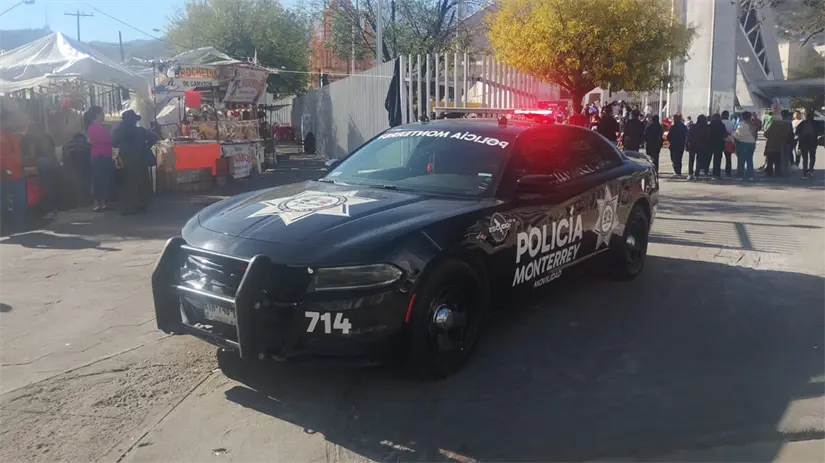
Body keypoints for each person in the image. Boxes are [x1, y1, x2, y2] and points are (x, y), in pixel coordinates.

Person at [113, 110, 158, 214]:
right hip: (140, 157)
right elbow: (154, 137)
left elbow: (114, 143)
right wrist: (146, 146)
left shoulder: (119, 131)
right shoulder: (140, 131)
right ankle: (142, 203)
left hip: (126, 158)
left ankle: (129, 206)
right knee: (142, 180)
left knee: (128, 182)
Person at [21, 122, 58, 219]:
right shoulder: (48, 136)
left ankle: (45, 211)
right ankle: (51, 210)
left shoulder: (31, 139)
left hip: (41, 164)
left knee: (43, 188)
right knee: (49, 187)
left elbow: (32, 156)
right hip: (52, 163)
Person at [85, 106, 114, 212]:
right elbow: (104, 140)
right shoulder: (94, 127)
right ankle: (97, 203)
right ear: (97, 115)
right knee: (98, 180)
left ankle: (103, 203)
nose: (104, 116)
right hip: (99, 157)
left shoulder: (101, 127)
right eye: (102, 114)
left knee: (103, 180)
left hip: (104, 156)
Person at [62, 132, 93, 208]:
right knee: (86, 182)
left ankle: (74, 202)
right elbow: (92, 157)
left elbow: (64, 159)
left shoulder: (66, 145)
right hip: (85, 166)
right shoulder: (88, 145)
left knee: (72, 183)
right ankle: (86, 202)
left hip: (71, 167)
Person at [733, 110, 757, 181]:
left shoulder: (742, 124)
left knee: (741, 160)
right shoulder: (753, 124)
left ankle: (740, 175)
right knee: (749, 160)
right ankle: (750, 175)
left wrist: (733, 134)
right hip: (752, 143)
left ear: (743, 117)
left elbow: (739, 135)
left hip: (743, 143)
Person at [763, 112, 789, 177]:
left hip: (770, 146)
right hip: (778, 146)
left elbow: (765, 134)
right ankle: (777, 172)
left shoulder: (772, 126)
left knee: (770, 161)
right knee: (777, 161)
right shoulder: (782, 127)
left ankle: (769, 173)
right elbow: (785, 136)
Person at [795, 111, 819, 179]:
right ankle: (811, 170)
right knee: (812, 157)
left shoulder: (802, 123)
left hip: (803, 143)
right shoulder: (815, 123)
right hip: (813, 143)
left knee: (805, 158)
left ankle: (804, 173)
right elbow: (820, 131)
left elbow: (797, 132)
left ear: (805, 117)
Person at [686, 114, 710, 180]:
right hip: (701, 145)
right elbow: (708, 137)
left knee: (691, 160)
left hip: (692, 145)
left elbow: (688, 136)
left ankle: (690, 174)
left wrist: (687, 144)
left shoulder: (693, 126)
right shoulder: (706, 128)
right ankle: (696, 174)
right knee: (699, 160)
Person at [708, 113, 727, 179]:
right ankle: (716, 173)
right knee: (717, 159)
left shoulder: (710, 125)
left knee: (708, 158)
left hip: (710, 143)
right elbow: (725, 134)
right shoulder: (722, 125)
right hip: (720, 143)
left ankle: (706, 171)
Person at [720, 111, 735, 177]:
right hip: (729, 141)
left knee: (718, 157)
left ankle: (717, 170)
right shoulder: (731, 122)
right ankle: (728, 171)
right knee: (728, 157)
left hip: (720, 140)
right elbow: (732, 131)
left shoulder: (720, 122)